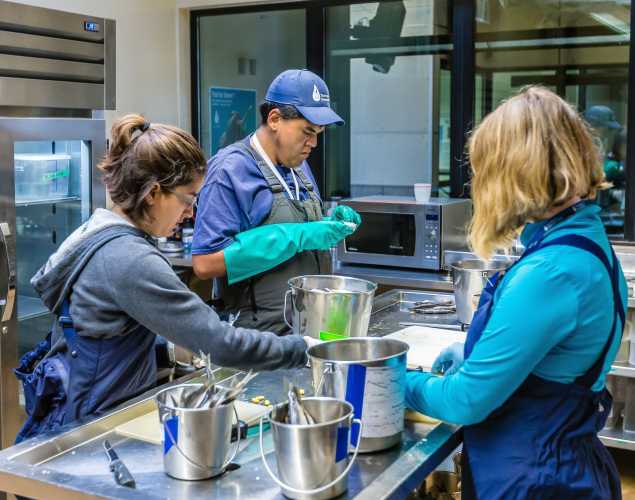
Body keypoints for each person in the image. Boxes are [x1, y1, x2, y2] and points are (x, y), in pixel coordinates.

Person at [14, 115, 309, 443]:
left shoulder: (99, 230)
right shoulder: (129, 259)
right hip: (93, 430)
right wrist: (303, 348)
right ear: (154, 193)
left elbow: (103, 332)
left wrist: (167, 353)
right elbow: (219, 342)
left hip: (89, 409)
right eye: (188, 198)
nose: (191, 213)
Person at [406, 87, 627, 499]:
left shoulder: (551, 272)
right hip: (562, 464)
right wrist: (471, 358)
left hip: (536, 478)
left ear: (514, 173)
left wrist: (396, 380)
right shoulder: (583, 240)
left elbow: (466, 401)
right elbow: (553, 365)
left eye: (485, 171)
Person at [192, 69, 360, 334]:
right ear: (274, 119)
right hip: (255, 338)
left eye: (318, 133)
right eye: (307, 132)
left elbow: (303, 231)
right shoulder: (230, 170)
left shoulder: (299, 167)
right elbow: (205, 263)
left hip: (307, 328)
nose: (313, 143)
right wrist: (295, 235)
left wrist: (329, 224)